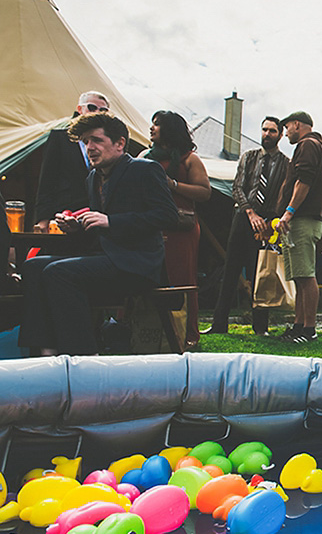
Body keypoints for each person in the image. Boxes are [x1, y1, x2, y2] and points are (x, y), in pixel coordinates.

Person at [18, 112, 178, 355]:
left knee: (58, 272)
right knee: (32, 266)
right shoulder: (93, 177)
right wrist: (77, 228)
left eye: (96, 140)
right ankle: (44, 351)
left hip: (136, 263)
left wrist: (111, 221)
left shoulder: (145, 169)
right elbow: (99, 232)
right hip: (104, 258)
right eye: (85, 142)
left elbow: (168, 216)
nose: (89, 147)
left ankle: (84, 355)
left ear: (120, 143)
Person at [204, 117, 289, 336]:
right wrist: (250, 213)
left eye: (272, 131)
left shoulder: (285, 163)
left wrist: (270, 223)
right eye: (264, 130)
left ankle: (261, 328)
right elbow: (237, 187)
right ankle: (218, 324)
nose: (267, 134)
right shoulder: (249, 157)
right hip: (243, 217)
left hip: (267, 221)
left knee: (259, 273)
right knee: (230, 270)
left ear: (280, 135)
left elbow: (283, 196)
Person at [140, 111, 211, 350]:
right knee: (148, 275)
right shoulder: (144, 156)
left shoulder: (189, 159)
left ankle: (186, 332)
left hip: (181, 227)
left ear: (170, 129)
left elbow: (204, 192)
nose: (152, 128)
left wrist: (173, 185)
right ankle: (149, 329)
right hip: (150, 224)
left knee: (181, 276)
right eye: (152, 123)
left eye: (158, 125)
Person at [276, 111, 322, 344]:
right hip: (299, 219)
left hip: (302, 218)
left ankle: (309, 330)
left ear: (297, 124)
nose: (285, 133)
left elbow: (303, 180)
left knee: (306, 274)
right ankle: (298, 326)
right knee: (298, 274)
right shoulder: (310, 145)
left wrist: (289, 211)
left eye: (287, 127)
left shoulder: (308, 145)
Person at [34, 91, 110, 232]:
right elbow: (47, 179)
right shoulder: (60, 137)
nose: (97, 112)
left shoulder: (110, 142)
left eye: (103, 110)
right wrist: (43, 218)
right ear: (79, 109)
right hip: (64, 212)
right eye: (92, 107)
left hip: (95, 215)